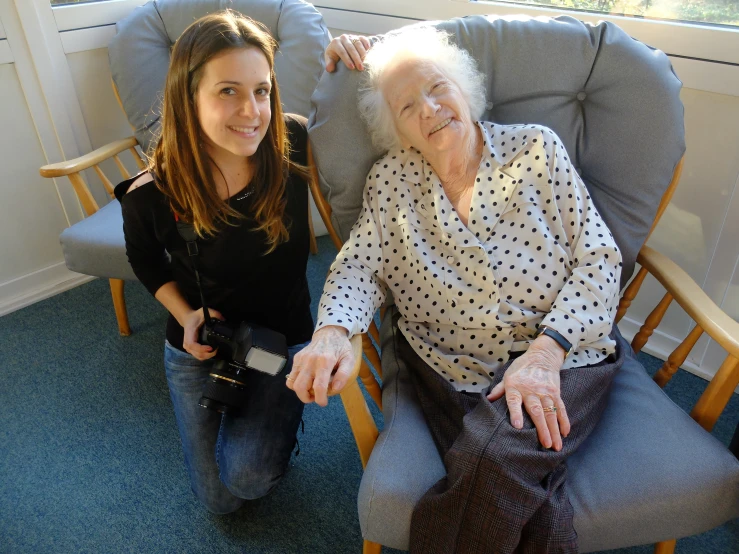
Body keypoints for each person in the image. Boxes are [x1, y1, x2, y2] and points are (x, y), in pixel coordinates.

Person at [290, 27, 625, 553]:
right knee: (534, 515)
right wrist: (333, 331)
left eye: (438, 88)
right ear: (395, 129)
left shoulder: (536, 149)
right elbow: (357, 267)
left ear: (464, 88)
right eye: (406, 106)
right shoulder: (390, 181)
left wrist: (543, 355)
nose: (429, 109)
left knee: (487, 460)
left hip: (566, 355)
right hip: (453, 369)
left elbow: (600, 259)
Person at [114, 11, 316, 514]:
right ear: (189, 98)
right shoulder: (152, 193)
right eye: (228, 90)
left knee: (247, 479)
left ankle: (277, 419)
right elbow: (142, 258)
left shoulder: (292, 145)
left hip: (275, 343)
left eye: (262, 90)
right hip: (202, 344)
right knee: (219, 503)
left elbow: (362, 113)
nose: (251, 111)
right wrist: (185, 317)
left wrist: (353, 49)